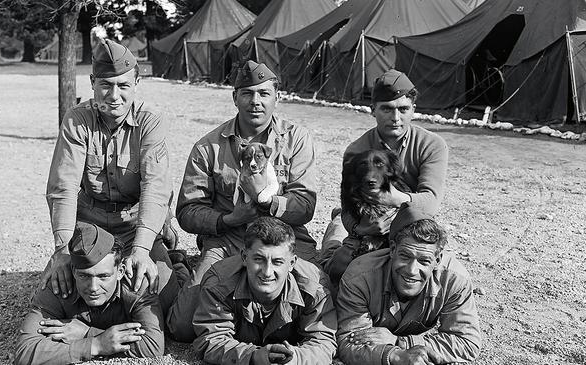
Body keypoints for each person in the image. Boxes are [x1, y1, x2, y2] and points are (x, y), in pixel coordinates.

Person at [167, 60, 318, 341]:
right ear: (235, 97)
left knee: (319, 305)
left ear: (277, 98)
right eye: (247, 93)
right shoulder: (209, 146)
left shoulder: (295, 139)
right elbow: (188, 211)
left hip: (286, 236)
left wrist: (270, 203)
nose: (255, 101)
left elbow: (305, 205)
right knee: (183, 327)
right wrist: (229, 219)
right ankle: (179, 269)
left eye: (264, 93)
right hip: (230, 239)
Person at [42, 38, 182, 314]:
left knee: (165, 299)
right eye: (106, 85)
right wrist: (62, 251)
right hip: (91, 224)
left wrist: (141, 250)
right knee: (59, 293)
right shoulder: (77, 120)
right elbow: (64, 187)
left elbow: (155, 188)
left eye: (123, 86)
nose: (114, 95)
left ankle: (172, 257)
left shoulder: (150, 122)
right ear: (93, 82)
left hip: (135, 222)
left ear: (136, 84)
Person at [320, 68, 449, 283]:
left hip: (412, 227)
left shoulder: (432, 145)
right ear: (373, 110)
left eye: (404, 109)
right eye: (387, 109)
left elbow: (431, 202)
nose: (396, 118)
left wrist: (394, 198)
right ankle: (333, 237)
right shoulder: (356, 150)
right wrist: (359, 228)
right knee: (335, 271)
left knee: (436, 277)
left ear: (413, 109)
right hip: (366, 225)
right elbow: (349, 206)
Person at [336, 202, 482, 365]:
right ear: (392, 250)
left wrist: (400, 342)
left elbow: (467, 342)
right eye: (405, 256)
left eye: (424, 261)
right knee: (331, 253)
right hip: (354, 260)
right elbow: (349, 342)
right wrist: (396, 357)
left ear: (437, 259)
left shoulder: (453, 280)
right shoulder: (359, 277)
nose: (412, 270)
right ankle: (337, 220)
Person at [15, 222, 165, 364]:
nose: (93, 287)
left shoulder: (137, 285)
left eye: (103, 276)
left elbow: (153, 345)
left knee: (170, 302)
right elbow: (25, 351)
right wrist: (95, 345)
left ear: (120, 272)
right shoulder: (57, 284)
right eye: (84, 276)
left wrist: (87, 334)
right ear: (73, 271)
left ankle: (178, 262)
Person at [193, 217, 337, 365]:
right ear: (244, 257)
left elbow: (324, 341)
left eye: (277, 262)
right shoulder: (219, 285)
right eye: (258, 259)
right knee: (180, 328)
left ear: (292, 263)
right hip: (215, 285)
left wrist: (296, 359)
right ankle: (179, 268)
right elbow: (211, 339)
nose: (267, 272)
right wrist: (253, 356)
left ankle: (337, 221)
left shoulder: (314, 289)